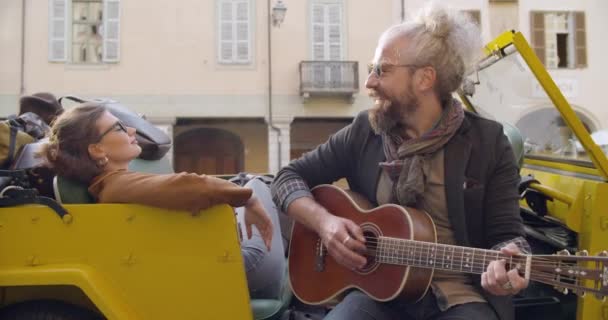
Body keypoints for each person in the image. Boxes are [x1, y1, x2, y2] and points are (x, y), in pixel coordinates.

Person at [271, 3, 529, 320]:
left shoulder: (487, 142)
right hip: (375, 293)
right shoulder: (364, 132)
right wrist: (326, 224)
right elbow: (286, 178)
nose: (369, 82)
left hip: (459, 296)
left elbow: (509, 234)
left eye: (382, 70)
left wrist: (510, 264)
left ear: (424, 78)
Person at [41, 102, 285, 299]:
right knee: (257, 185)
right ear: (97, 150)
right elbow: (191, 185)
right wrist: (249, 200)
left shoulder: (116, 182)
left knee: (257, 185)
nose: (132, 131)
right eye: (118, 128)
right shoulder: (117, 185)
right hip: (242, 268)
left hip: (225, 262)